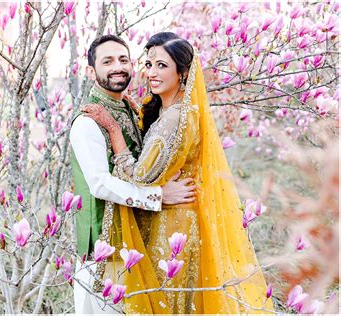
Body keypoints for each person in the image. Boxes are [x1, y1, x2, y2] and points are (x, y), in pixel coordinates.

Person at [83, 32, 274, 314]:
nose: (152, 73)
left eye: (162, 65)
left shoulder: (175, 118)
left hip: (173, 225)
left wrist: (113, 131)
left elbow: (139, 176)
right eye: (149, 65)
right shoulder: (171, 110)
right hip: (178, 219)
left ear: (182, 72)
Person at [69, 35, 197, 314]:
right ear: (91, 71)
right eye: (108, 61)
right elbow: (100, 184)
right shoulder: (87, 122)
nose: (118, 67)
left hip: (136, 242)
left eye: (123, 59)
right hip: (105, 249)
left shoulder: (130, 109)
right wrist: (158, 196)